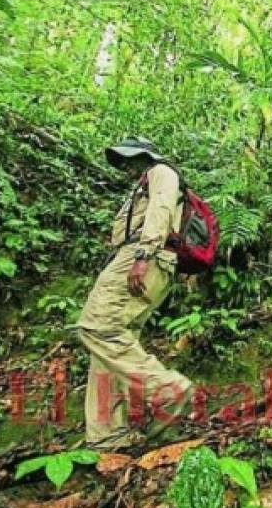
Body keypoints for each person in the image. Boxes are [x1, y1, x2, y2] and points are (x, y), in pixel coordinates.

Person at [77, 137, 195, 448]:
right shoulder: (145, 181)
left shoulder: (161, 172)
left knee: (97, 327)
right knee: (111, 343)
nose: (126, 165)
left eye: (129, 158)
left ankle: (167, 389)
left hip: (143, 257)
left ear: (145, 154)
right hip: (139, 256)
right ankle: (107, 436)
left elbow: (161, 209)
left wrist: (143, 255)